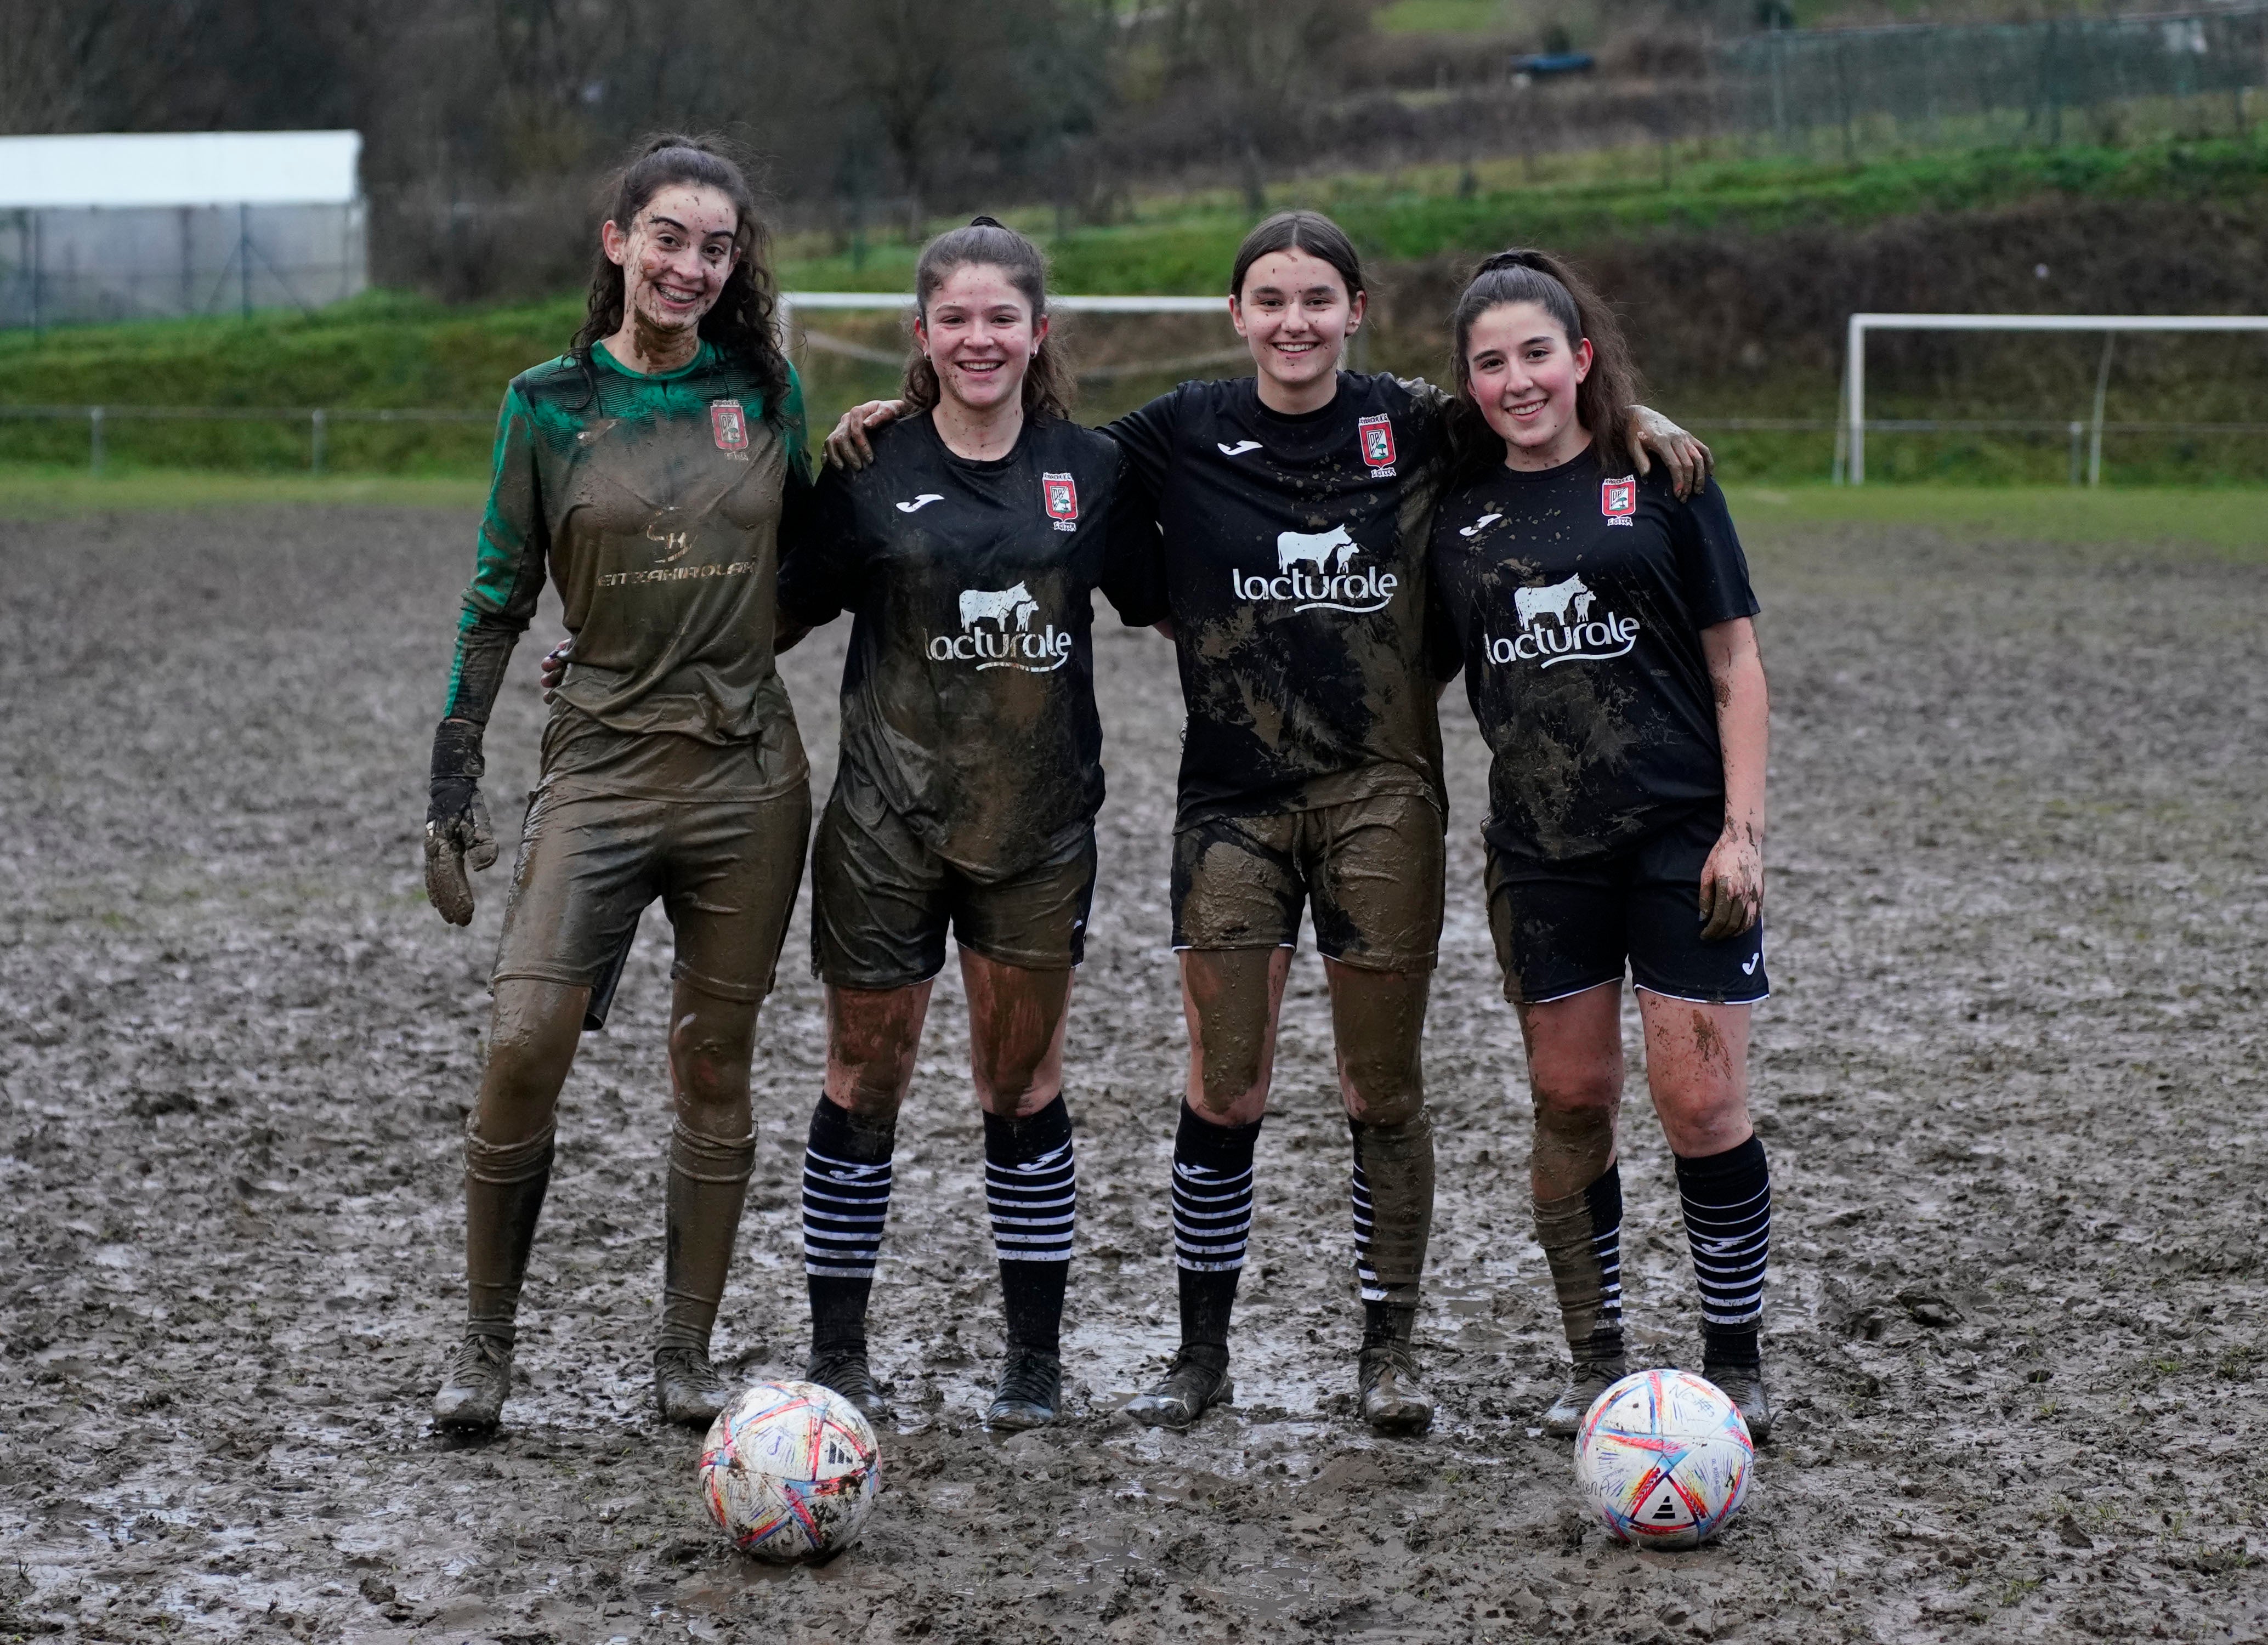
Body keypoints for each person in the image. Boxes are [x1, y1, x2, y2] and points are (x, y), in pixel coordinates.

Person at [826, 210, 1710, 1437]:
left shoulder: (1419, 423)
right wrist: (885, 418)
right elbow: (1018, 445)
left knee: (1378, 1087)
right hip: (1231, 804)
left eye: (1317, 300)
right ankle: (1200, 1358)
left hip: (1380, 798)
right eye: (1269, 301)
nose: (1294, 322)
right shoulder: (1174, 434)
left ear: (1354, 312)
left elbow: (1547, 425)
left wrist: (1640, 423)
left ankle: (1386, 1352)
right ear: (1234, 316)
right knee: (1223, 1085)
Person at [421, 135, 816, 1433]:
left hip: (746, 780)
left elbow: (804, 577)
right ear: (618, 242)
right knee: (525, 1042)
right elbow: (495, 601)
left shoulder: (766, 392)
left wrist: (869, 453)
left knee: (713, 1061)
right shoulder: (545, 404)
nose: (691, 266)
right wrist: (452, 780)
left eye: (716, 247)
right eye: (668, 238)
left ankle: (683, 1360)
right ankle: (484, 1350)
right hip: (596, 769)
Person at [761, 218, 1149, 1432]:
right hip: (886, 825)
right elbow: (765, 614)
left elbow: (1198, 593)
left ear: (1039, 333)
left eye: (1002, 318)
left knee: (1021, 1084)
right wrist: (613, 648)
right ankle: (838, 1358)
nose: (979, 339)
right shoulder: (867, 472)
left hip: (1037, 830)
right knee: (860, 1080)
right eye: (954, 319)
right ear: (920, 336)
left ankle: (1031, 1364)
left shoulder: (1095, 471)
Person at [1424, 248, 1774, 1439]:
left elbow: (1735, 663)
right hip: (1540, 851)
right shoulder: (1453, 511)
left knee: (1700, 1104)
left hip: (1681, 837)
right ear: (1466, 383)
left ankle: (1736, 1366)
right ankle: (1597, 1362)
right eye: (1490, 363)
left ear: (1580, 357)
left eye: (1537, 353)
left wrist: (1741, 831)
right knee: (1571, 1099)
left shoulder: (1661, 476)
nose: (1517, 380)